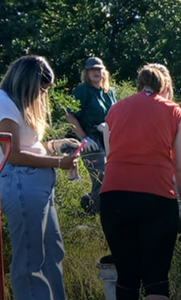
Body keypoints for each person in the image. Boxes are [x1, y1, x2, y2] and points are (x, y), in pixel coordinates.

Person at [98, 63, 181, 300]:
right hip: (156, 198)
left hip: (114, 198)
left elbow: (110, 156)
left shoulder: (115, 109)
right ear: (166, 87)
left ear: (139, 85)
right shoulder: (174, 112)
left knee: (127, 274)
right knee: (156, 276)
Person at [0, 55, 76, 300]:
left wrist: (57, 145)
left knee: (53, 251)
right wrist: (60, 162)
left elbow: (29, 146)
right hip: (21, 182)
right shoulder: (3, 103)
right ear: (26, 82)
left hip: (37, 183)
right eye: (41, 89)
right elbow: (13, 155)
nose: (42, 95)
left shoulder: (16, 103)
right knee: (30, 256)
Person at [66, 57, 118, 215]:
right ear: (86, 73)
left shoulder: (109, 92)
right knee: (101, 178)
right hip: (91, 140)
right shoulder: (82, 90)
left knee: (114, 177)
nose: (96, 72)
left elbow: (117, 115)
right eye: (92, 69)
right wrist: (83, 138)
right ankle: (94, 214)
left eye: (99, 69)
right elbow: (70, 115)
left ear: (104, 72)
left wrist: (109, 127)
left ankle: (93, 205)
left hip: (109, 139)